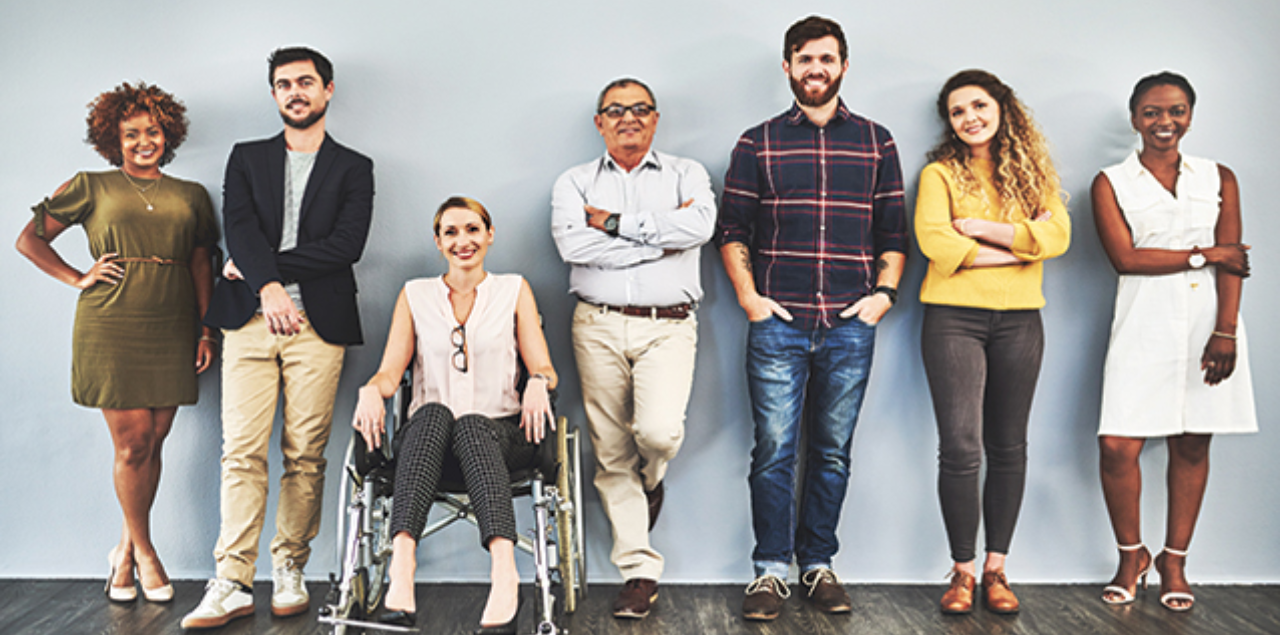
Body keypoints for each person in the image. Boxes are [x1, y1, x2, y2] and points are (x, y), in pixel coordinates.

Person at [717, 15, 907, 621]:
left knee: (831, 451)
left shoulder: (877, 141)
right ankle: (770, 570)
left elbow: (894, 233)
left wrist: (884, 295)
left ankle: (818, 563)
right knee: (773, 450)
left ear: (843, 66)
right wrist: (749, 297)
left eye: (827, 59)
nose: (816, 69)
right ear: (788, 67)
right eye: (805, 59)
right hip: (777, 320)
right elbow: (731, 230)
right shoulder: (758, 142)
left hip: (851, 322)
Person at [182, 46, 375, 629]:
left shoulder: (354, 167)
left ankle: (290, 565)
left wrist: (265, 268)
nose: (296, 92)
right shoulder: (245, 158)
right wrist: (266, 288)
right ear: (274, 95)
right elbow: (237, 226)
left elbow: (347, 247)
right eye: (284, 84)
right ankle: (233, 580)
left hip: (319, 328)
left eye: (306, 82)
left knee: (305, 455)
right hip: (246, 322)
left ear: (328, 90)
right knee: (240, 452)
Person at [15, 82, 218, 605]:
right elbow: (29, 239)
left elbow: (201, 262)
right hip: (112, 325)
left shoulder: (191, 195)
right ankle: (147, 554)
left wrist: (206, 327)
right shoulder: (92, 185)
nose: (143, 141)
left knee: (153, 442)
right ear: (114, 138)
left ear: (167, 134)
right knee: (132, 445)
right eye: (131, 134)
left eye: (152, 131)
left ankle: (122, 550)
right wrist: (77, 276)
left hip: (173, 322)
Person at [352, 196, 558, 634]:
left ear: (489, 235)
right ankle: (402, 567)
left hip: (501, 437)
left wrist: (538, 381)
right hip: (428, 446)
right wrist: (372, 389)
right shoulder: (415, 294)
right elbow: (391, 370)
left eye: (472, 229)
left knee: (470, 425)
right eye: (451, 232)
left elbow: (544, 366)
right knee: (433, 414)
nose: (462, 240)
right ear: (438, 241)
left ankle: (505, 574)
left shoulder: (513, 289)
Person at [550, 77, 716, 619]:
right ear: (599, 122)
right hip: (596, 324)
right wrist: (659, 242)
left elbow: (701, 225)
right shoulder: (573, 182)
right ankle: (639, 571)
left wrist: (615, 228)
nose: (629, 118)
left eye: (640, 109)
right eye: (616, 110)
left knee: (658, 432)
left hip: (668, 325)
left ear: (656, 118)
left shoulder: (686, 173)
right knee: (611, 449)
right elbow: (573, 244)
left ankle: (653, 479)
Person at [1092, 71, 1256, 612]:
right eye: (1153, 112)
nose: (1166, 122)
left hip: (1209, 322)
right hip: (1142, 320)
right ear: (1135, 117)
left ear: (1191, 115)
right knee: (1118, 444)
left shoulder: (1219, 177)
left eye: (1177, 111)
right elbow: (1127, 259)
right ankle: (1130, 554)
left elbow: (1238, 264)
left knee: (1191, 442)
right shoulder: (1111, 182)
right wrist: (1205, 254)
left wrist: (1226, 330)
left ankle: (1175, 561)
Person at [914, 69, 1071, 615]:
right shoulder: (939, 174)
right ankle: (961, 572)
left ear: (1002, 107)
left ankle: (997, 569)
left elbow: (1059, 237)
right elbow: (936, 244)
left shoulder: (1034, 175)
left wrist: (977, 230)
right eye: (958, 112)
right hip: (953, 319)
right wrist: (1023, 245)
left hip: (1021, 320)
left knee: (1009, 446)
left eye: (978, 105)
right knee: (960, 447)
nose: (969, 118)